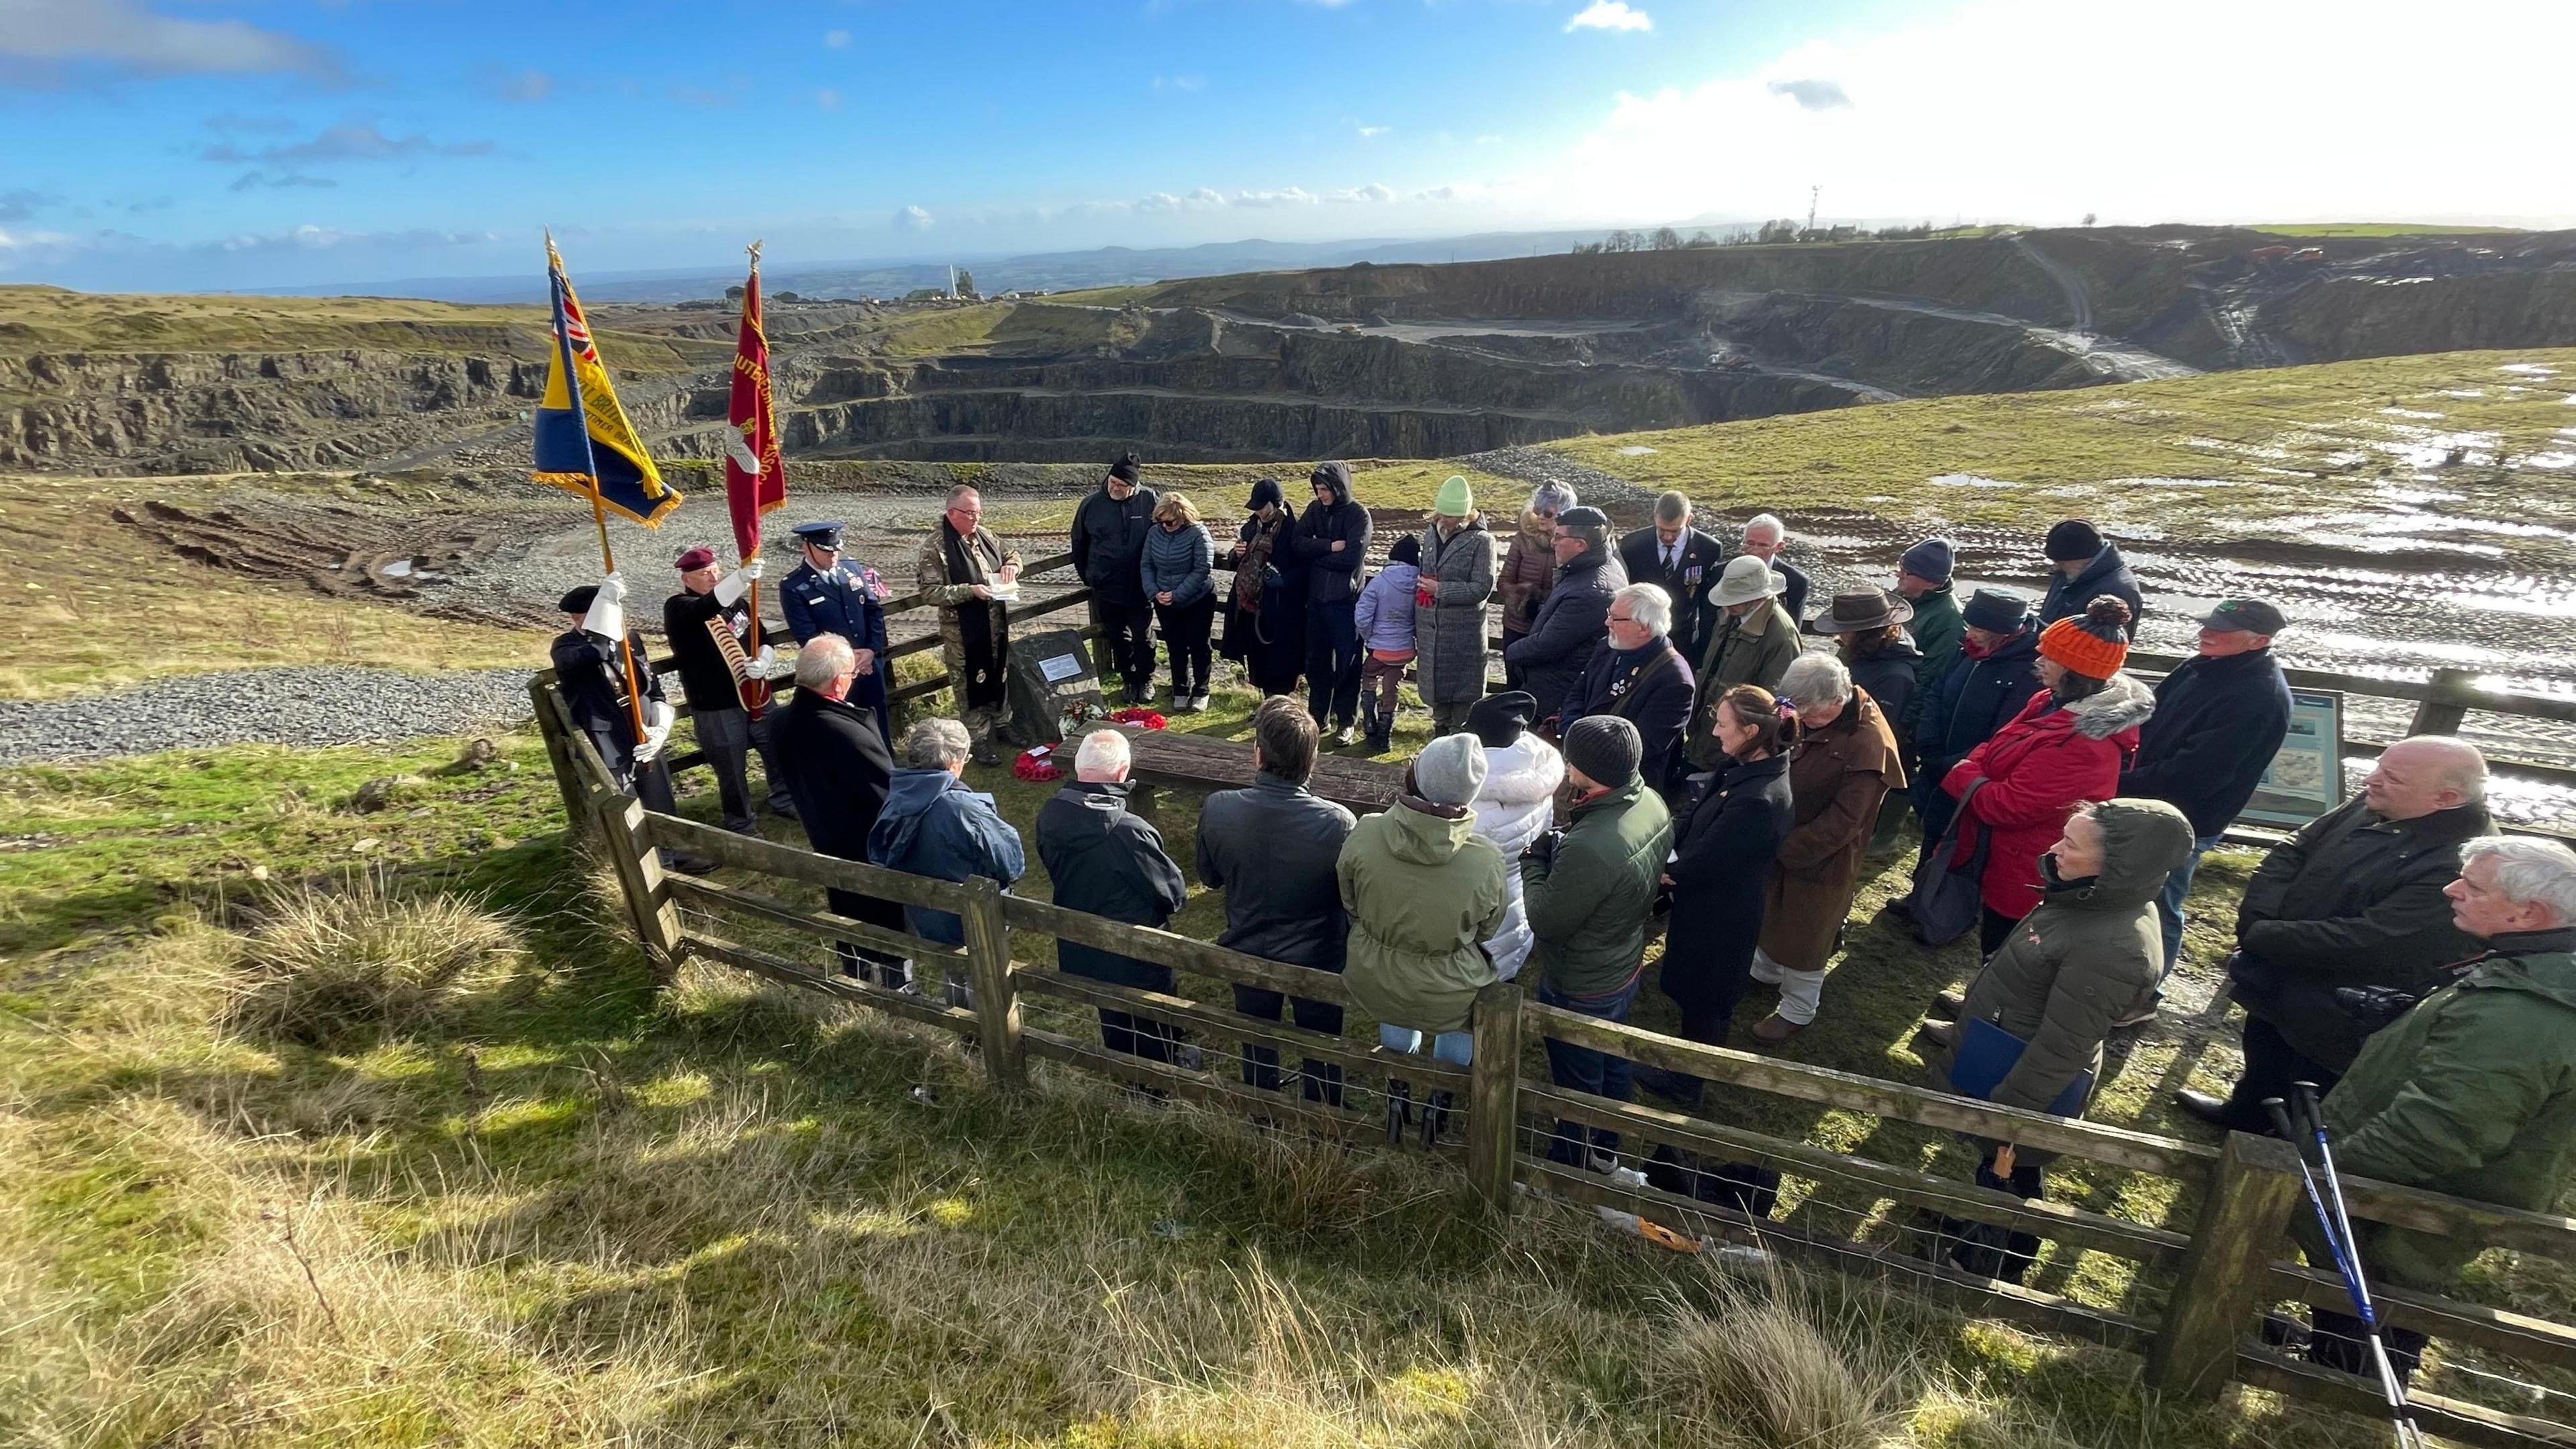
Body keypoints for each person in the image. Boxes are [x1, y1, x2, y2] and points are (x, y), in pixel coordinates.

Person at [2296, 836, 2576, 1385]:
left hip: (2419, 1193)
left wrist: (2322, 1178)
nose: (2451, 891)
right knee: (2369, 1274)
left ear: (2529, 913)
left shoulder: (2525, 1013)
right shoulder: (2534, 971)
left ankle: (2349, 1386)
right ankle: (2335, 1359)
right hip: (2416, 1185)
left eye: (2472, 887)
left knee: (2382, 1275)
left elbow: (2439, 1132)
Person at [1917, 798, 2196, 1284]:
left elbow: (2063, 1047)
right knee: (2001, 1165)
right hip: (2005, 1054)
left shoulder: (2114, 947)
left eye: (2070, 844)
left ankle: (1993, 1264)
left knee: (2013, 1167)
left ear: (2118, 864)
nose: (2055, 850)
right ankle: (1985, 1229)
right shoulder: (2090, 900)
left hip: (2024, 1081)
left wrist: (2010, 1115)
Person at [2173, 735, 2493, 1133]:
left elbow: (2374, 941)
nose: (2370, 781)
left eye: (2391, 777)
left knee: (2311, 1080)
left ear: (2444, 798)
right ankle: (2247, 1113)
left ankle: (2287, 1156)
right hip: (2283, 967)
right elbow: (2293, 849)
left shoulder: (2461, 863)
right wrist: (2260, 920)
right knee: (2265, 1040)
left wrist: (2264, 936)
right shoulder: (2380, 802)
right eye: (2379, 766)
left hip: (2343, 1004)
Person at [1942, 597, 2154, 958]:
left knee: (2011, 948)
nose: (2037, 661)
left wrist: (1964, 774)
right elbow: (1993, 747)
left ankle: (1994, 1011)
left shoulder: (2086, 745)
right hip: (2005, 854)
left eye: (2049, 656)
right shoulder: (2048, 699)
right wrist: (1980, 769)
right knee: (1996, 943)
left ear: (2077, 669)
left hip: (2031, 867)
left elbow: (2008, 806)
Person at [1523, 716, 1675, 1169]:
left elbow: (1546, 920)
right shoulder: (1650, 800)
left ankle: (1570, 1163)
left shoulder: (1592, 844)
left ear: (1584, 769)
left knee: (1577, 1080)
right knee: (1612, 1057)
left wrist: (1534, 863)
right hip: (1622, 959)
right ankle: (1608, 1145)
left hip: (1582, 981)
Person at [1637, 684, 1796, 1106]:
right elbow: (1700, 812)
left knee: (1706, 1001)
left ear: (1750, 731)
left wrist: (1668, 873)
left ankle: (1687, 1083)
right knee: (1700, 993)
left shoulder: (1757, 801)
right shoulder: (1745, 768)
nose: (1715, 730)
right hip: (1710, 906)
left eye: (1722, 723)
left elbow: (1710, 861)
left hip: (1721, 917)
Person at [2118, 597, 2294, 975]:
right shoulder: (2201, 666)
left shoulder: (2258, 697)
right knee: (2128, 894)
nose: (2205, 633)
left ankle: (2148, 990)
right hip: (2143, 796)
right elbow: (2149, 712)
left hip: (2185, 818)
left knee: (2158, 903)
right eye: (2207, 625)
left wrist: (2115, 782)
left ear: (2259, 641)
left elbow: (2195, 775)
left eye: (2220, 631)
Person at [1198, 698, 1358, 1103]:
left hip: (1248, 944)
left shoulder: (1219, 807)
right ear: (1313, 759)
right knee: (1321, 1045)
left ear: (1258, 754)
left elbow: (1209, 877)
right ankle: (1324, 1117)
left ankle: (1261, 1109)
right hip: (1318, 955)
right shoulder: (1337, 822)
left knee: (1256, 1040)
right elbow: (1350, 897)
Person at [1748, 653, 1904, 1044]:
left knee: (1808, 931)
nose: (1800, 719)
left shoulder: (1868, 743)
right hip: (1789, 834)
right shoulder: (1825, 710)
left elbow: (1845, 821)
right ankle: (1764, 970)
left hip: (1823, 857)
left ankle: (1798, 1009)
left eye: (1809, 713)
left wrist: (1785, 846)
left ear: (1836, 701)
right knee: (1770, 906)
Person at [1339, 733, 1511, 1073]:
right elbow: (1488, 928)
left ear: (1416, 775)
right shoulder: (1488, 860)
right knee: (1468, 1011)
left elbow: (1350, 900)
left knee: (1396, 1005)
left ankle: (1398, 1085)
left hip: (1376, 975)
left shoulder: (1366, 832)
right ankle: (1441, 1097)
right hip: (1450, 989)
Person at [1038, 730, 1192, 1067]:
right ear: (1123, 773)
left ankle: (1125, 1069)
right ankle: (1160, 1077)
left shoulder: (1050, 815)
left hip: (1082, 942)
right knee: (1155, 1015)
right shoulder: (1130, 832)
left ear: (1079, 768)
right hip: (1139, 951)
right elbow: (1172, 894)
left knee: (1113, 1014)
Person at [770, 635, 907, 987]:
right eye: (852, 672)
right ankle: (899, 984)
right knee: (885, 916)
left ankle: (854, 978)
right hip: (868, 842)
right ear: (837, 682)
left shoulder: (782, 721)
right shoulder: (846, 731)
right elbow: (887, 791)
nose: (855, 678)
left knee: (844, 909)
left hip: (823, 834)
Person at [550, 578, 708, 872]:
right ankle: (653, 870)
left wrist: (659, 727)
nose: (583, 621)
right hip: (607, 733)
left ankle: (675, 854)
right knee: (628, 801)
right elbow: (595, 654)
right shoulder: (565, 646)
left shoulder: (630, 638)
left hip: (641, 724)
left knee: (659, 792)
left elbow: (652, 687)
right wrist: (602, 624)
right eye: (580, 617)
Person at [867, 717, 1026, 1006]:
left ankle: (960, 1025)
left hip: (925, 913)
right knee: (982, 976)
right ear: (955, 762)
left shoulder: (897, 796)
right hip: (971, 916)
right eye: (966, 758)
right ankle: (983, 1036)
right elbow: (1012, 864)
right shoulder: (962, 809)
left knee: (954, 971)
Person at [663, 544, 792, 833]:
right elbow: (706, 607)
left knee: (776, 748)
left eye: (716, 571)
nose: (713, 577)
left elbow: (763, 637)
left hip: (757, 693)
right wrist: (740, 578)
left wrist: (764, 660)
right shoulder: (679, 607)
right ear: (687, 579)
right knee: (731, 769)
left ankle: (784, 799)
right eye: (705, 573)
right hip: (716, 704)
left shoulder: (738, 604)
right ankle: (741, 822)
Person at [1910, 589, 2045, 845]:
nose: (1969, 634)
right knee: (1930, 838)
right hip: (1936, 764)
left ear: (2004, 632)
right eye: (1970, 625)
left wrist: (1952, 763)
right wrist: (1928, 743)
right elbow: (1936, 693)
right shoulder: (1968, 651)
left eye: (1979, 629)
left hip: (1971, 776)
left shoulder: (2028, 672)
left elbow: (2004, 734)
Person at [914, 485, 1023, 765]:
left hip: (994, 625)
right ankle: (977, 739)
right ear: (952, 513)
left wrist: (1012, 566)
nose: (976, 519)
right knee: (969, 685)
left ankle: (1003, 723)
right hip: (963, 633)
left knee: (999, 674)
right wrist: (969, 591)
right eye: (970, 513)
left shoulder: (982, 535)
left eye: (978, 512)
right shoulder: (935, 548)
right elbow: (930, 593)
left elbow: (1012, 553)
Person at [1561, 583, 1695, 802]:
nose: (1607, 623)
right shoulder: (1609, 646)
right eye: (1609, 614)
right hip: (1582, 771)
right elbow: (1577, 695)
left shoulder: (1675, 680)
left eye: (1615, 618)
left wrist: (1581, 751)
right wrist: (1573, 738)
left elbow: (1642, 747)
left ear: (1644, 627)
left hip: (1622, 794)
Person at [1464, 690, 1563, 983]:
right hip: (1517, 901)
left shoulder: (1467, 789)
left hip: (1473, 912)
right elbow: (1543, 832)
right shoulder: (1537, 769)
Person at [1503, 504, 1625, 724]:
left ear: (1580, 545)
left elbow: (1547, 645)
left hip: (1558, 694)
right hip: (1562, 687)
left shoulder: (1590, 591)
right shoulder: (1595, 566)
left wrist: (1511, 651)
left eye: (1559, 537)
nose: (1552, 542)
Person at [1682, 555, 1799, 772]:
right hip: (1704, 735)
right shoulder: (1732, 614)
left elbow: (1769, 706)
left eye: (1734, 599)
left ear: (1757, 598)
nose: (1727, 604)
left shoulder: (1781, 636)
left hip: (1732, 751)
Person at [780, 519, 892, 744]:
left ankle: (888, 768)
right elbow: (807, 635)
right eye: (825, 550)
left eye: (836, 549)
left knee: (878, 721)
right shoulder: (794, 586)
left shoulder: (851, 569)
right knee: (845, 730)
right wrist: (850, 660)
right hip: (834, 673)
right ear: (806, 547)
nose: (833, 556)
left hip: (869, 665)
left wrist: (871, 650)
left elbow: (873, 610)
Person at [1293, 460, 1374, 745]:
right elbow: (1297, 543)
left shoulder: (1359, 516)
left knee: (1348, 665)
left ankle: (1347, 721)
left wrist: (1316, 555)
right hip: (1317, 601)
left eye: (1325, 489)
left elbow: (1351, 558)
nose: (1321, 495)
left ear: (1339, 486)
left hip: (1346, 603)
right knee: (1316, 663)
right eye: (1317, 489)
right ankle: (1317, 718)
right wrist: (1328, 546)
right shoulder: (1315, 510)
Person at [1413, 475, 1499, 736]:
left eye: (1450, 516)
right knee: (1437, 696)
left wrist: (1440, 590)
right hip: (1432, 630)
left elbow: (1481, 588)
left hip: (1463, 635)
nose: (1444, 521)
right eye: (1441, 515)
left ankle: (1457, 742)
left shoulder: (1483, 541)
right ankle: (1438, 737)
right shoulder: (1431, 532)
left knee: (1462, 700)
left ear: (1465, 514)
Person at [1071, 453, 1160, 703]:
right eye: (1112, 482)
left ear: (1133, 486)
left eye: (1121, 485)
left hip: (1140, 584)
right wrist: (1090, 576)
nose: (1115, 488)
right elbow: (1079, 543)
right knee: (1118, 636)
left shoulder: (1150, 500)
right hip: (1106, 585)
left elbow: (1164, 534)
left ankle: (1146, 679)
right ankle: (1128, 679)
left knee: (1143, 636)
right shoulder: (1091, 505)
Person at [1216, 477, 1304, 699]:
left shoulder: (1295, 530)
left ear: (1276, 503)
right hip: (1252, 606)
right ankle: (1266, 705)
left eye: (1262, 508)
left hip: (1282, 607)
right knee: (1258, 659)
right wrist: (1235, 554)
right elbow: (1237, 562)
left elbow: (1304, 568)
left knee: (1282, 661)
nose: (1259, 512)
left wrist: (1283, 580)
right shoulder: (1250, 528)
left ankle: (1281, 705)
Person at [1618, 491, 1727, 669]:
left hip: (1683, 638)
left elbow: (1707, 603)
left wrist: (1704, 646)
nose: (1668, 537)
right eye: (1662, 530)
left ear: (1689, 520)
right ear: (1654, 517)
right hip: (1642, 635)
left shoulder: (1708, 548)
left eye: (1675, 531)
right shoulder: (1633, 545)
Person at [1809, 589, 1925, 743]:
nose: (1838, 635)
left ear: (1865, 634)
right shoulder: (1855, 651)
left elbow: (1877, 732)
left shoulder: (1895, 677)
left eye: (1844, 630)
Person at [1141, 492, 1217, 713]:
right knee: (1175, 646)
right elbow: (1146, 564)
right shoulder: (1154, 533)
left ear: (1183, 516)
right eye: (1160, 521)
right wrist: (1155, 592)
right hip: (1164, 599)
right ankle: (1180, 689)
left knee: (1200, 644)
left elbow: (1202, 568)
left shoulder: (1198, 534)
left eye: (1170, 522)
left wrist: (1178, 594)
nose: (1164, 526)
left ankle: (1202, 690)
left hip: (1197, 599)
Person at [1499, 482, 1575, 686]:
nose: (1541, 516)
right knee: (1514, 688)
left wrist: (1544, 604)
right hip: (1517, 627)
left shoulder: (1572, 545)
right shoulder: (1522, 539)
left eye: (1548, 513)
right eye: (1538, 510)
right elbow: (1504, 581)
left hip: (1550, 632)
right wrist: (1522, 598)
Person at [1351, 533, 1421, 753]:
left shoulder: (1380, 582)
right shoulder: (1421, 583)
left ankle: (1369, 721)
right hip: (1405, 649)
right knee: (1392, 686)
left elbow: (1362, 616)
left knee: (1369, 676)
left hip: (1380, 648)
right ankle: (1385, 736)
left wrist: (1370, 637)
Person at [1894, 537, 1966, 741]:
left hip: (1902, 714)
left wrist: (1902, 726)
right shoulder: (1902, 594)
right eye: (1900, 566)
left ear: (1931, 581)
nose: (1899, 574)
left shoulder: (1950, 622)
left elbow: (1929, 680)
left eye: (1906, 572)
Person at [2037, 519, 2144, 627]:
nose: (2057, 566)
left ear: (2084, 558)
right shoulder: (2071, 572)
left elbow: (2108, 641)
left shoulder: (2118, 592)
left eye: (2061, 562)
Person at [1736, 513, 1809, 623]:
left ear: (1779, 547)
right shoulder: (1721, 572)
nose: (1755, 550)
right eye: (1750, 543)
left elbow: (1791, 629)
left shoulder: (1796, 581)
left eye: (1763, 545)